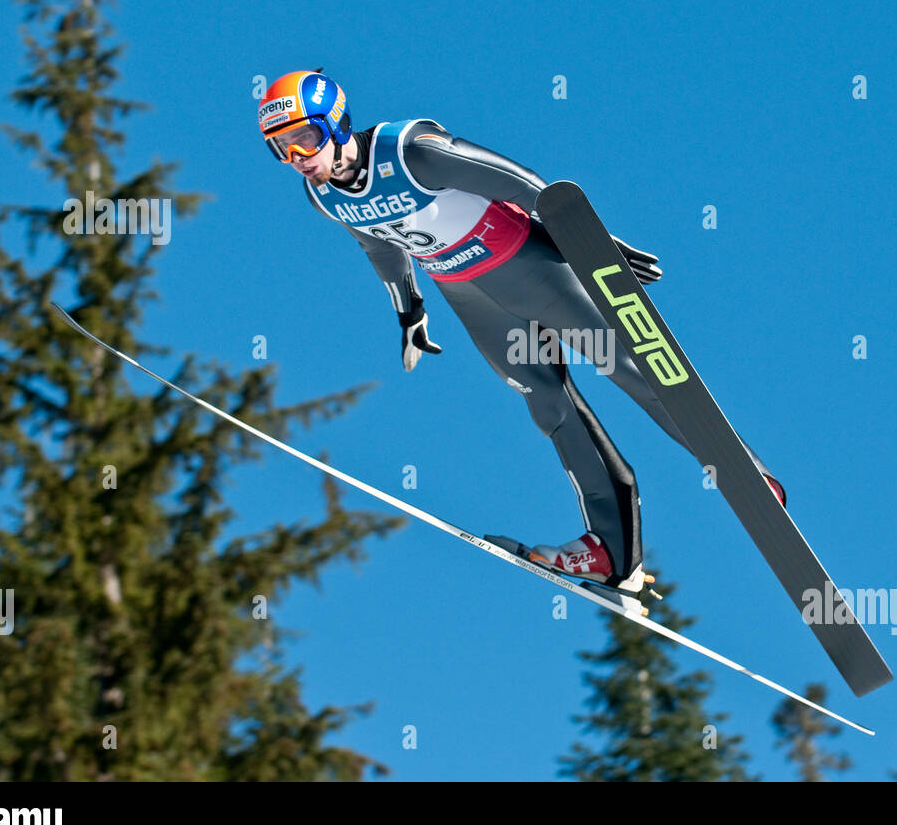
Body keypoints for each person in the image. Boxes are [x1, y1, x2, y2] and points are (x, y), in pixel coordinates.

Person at [257, 69, 785, 593]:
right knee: (549, 406)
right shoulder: (324, 197)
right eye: (282, 149)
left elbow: (520, 182)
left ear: (336, 122)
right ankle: (612, 553)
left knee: (629, 367)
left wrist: (591, 241)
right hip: (472, 295)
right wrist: (409, 310)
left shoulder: (410, 152)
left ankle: (744, 473)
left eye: (304, 139)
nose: (298, 158)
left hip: (531, 265)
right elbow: (379, 245)